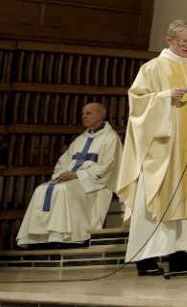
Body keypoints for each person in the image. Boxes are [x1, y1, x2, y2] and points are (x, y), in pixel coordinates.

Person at [117, 19, 187, 276]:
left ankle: (179, 255)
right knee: (156, 195)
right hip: (162, 147)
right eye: (183, 41)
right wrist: (163, 97)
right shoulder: (152, 68)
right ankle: (146, 257)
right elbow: (137, 102)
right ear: (169, 40)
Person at [17, 102, 122, 247]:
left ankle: (65, 237)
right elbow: (63, 162)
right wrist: (62, 174)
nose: (84, 116)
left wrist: (77, 176)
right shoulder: (80, 139)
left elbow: (109, 166)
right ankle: (39, 238)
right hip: (72, 180)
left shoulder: (111, 138)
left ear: (100, 115)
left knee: (63, 190)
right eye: (83, 114)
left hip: (93, 184)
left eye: (88, 113)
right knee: (41, 189)